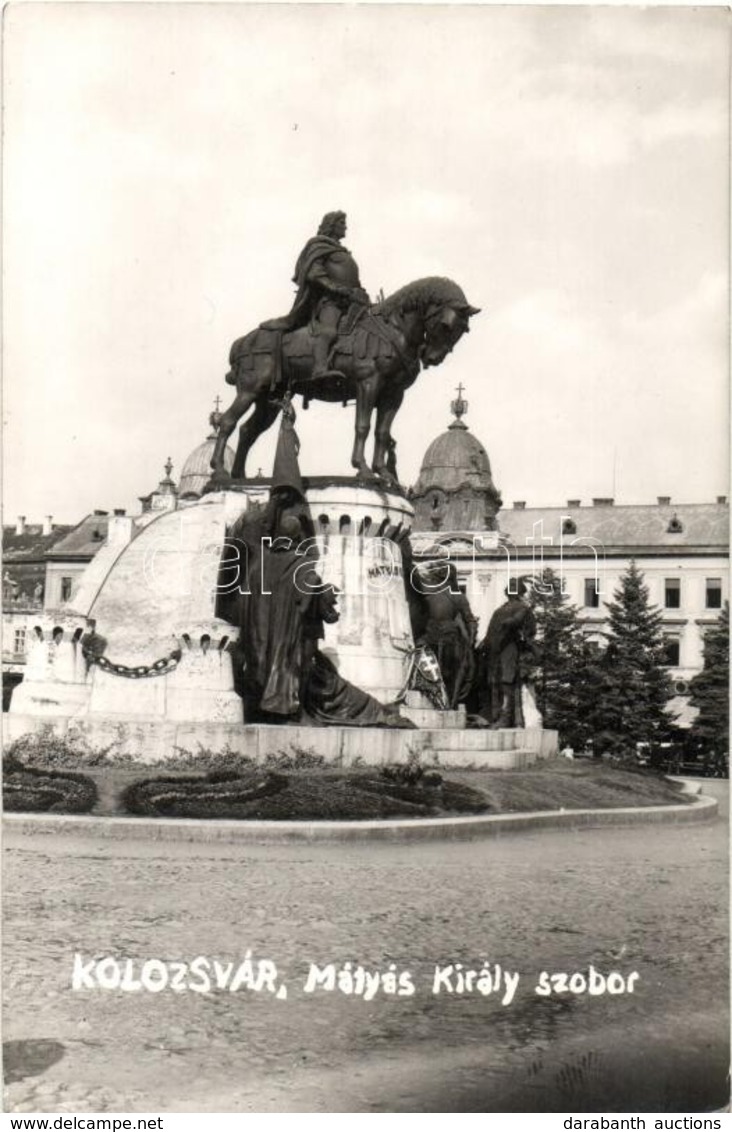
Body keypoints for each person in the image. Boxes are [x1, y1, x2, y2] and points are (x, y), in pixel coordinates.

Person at [262, 211, 370, 380]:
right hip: (331, 302)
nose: (346, 227)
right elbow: (314, 273)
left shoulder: (341, 251)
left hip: (352, 301)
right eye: (342, 223)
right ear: (332, 225)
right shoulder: (318, 245)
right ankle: (319, 369)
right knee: (328, 331)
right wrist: (336, 288)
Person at [413, 562, 477, 710]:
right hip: (444, 637)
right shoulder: (456, 596)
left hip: (438, 637)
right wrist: (471, 643)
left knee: (437, 672)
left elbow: (470, 620)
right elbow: (470, 621)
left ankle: (442, 702)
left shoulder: (427, 592)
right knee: (449, 674)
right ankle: (447, 703)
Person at [478, 578, 537, 729]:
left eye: (513, 586)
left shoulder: (522, 607)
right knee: (494, 680)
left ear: (519, 591)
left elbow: (521, 624)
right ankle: (495, 715)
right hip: (495, 648)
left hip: (511, 646)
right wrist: (484, 643)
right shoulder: (499, 610)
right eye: (509, 586)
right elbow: (491, 630)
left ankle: (506, 717)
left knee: (507, 680)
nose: (510, 588)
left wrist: (509, 623)